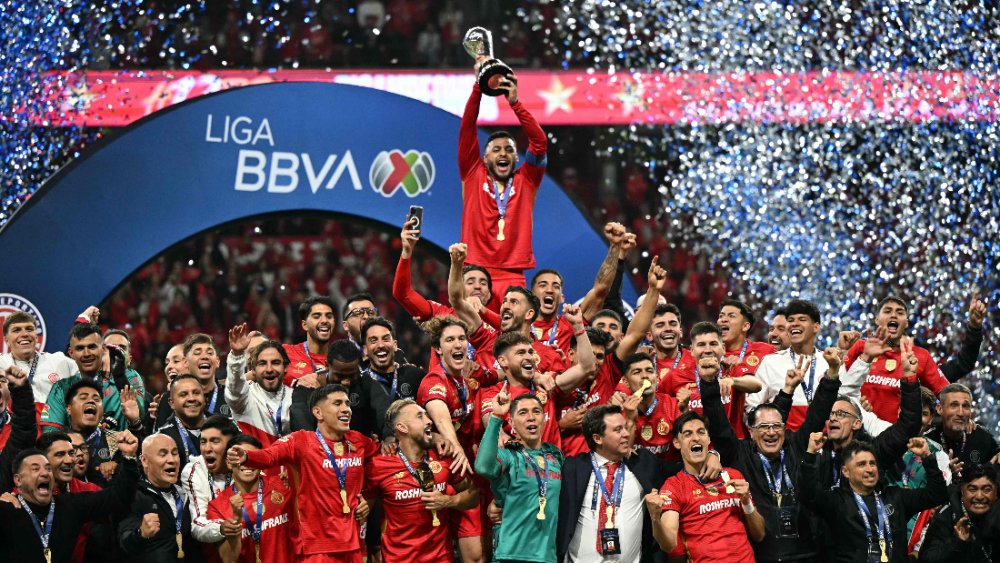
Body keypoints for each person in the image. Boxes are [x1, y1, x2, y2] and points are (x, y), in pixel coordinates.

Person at [704, 339, 843, 562]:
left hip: (808, 553)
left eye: (777, 426)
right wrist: (709, 383)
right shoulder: (740, 453)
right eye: (764, 427)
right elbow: (719, 425)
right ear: (750, 431)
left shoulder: (795, 446)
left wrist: (833, 373)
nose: (771, 432)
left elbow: (818, 414)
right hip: (763, 554)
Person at [227, 384, 376, 562]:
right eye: (337, 403)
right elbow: (269, 456)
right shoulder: (302, 441)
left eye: (347, 404)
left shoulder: (359, 442)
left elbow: (378, 467)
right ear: (318, 412)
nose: (346, 409)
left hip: (354, 544)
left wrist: (366, 497)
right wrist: (247, 456)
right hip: (316, 549)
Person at [458, 58, 547, 302]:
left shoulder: (527, 179)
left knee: (512, 338)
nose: (503, 154)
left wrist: (515, 104)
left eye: (508, 150)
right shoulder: (472, 173)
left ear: (517, 158)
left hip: (512, 274)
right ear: (485, 158)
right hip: (474, 272)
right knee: (470, 338)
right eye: (496, 150)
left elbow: (540, 143)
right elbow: (467, 128)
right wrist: (478, 87)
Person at [558, 404, 680, 562]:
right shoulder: (573, 468)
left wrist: (712, 454)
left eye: (625, 427)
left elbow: (684, 468)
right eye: (617, 430)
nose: (626, 434)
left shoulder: (642, 462)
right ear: (597, 438)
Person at [798, 436, 947, 563]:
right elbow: (808, 494)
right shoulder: (837, 501)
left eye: (872, 463)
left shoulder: (896, 496)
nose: (869, 469)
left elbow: (937, 494)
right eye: (861, 464)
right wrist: (810, 454)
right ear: (845, 472)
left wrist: (927, 457)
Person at [366, 399, 478, 563]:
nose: (429, 421)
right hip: (399, 559)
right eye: (420, 416)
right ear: (402, 428)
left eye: (426, 415)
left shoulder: (443, 456)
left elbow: (473, 495)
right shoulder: (379, 465)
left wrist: (449, 501)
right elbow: (364, 511)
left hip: (442, 558)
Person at [0, 431, 139, 561]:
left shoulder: (77, 500)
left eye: (71, 453)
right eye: (60, 454)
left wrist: (129, 458)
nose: (69, 460)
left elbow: (119, 496)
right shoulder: (13, 503)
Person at [646, 410, 765, 562]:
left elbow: (759, 535)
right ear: (677, 442)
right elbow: (669, 545)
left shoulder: (734, 476)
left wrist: (747, 503)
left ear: (708, 438)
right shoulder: (673, 487)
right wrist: (655, 518)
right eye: (688, 434)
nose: (696, 438)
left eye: (701, 432)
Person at [479, 302, 596, 451]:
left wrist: (578, 326)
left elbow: (587, 367)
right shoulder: (496, 392)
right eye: (521, 353)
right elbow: (489, 417)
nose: (529, 357)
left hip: (554, 470)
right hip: (520, 471)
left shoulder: (547, 384)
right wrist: (499, 434)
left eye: (530, 352)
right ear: (503, 361)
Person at [475, 385, 563, 563]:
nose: (531, 417)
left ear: (544, 419)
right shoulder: (508, 455)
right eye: (523, 413)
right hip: (510, 555)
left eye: (536, 411)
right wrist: (496, 418)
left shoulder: (555, 456)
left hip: (547, 556)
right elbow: (483, 467)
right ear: (513, 423)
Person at [447, 242, 565, 375]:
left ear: (529, 314)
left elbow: (567, 390)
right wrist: (456, 264)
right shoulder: (487, 340)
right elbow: (456, 300)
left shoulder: (549, 356)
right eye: (504, 301)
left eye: (514, 302)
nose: (505, 306)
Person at [748, 300, 849, 431]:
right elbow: (751, 409)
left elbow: (848, 403)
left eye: (802, 319)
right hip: (782, 444)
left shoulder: (831, 362)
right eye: (790, 320)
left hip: (824, 443)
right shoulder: (770, 362)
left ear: (816, 327)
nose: (794, 323)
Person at [846, 296, 950, 422]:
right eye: (887, 311)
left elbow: (947, 393)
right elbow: (837, 386)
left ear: (906, 323)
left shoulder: (920, 356)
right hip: (860, 433)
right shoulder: (860, 348)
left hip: (899, 437)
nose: (894, 315)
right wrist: (855, 405)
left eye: (899, 312)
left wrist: (963, 416)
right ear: (877, 320)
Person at [43, 323, 146, 433]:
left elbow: (139, 414)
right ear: (71, 353)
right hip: (76, 449)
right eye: (80, 348)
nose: (86, 353)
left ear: (102, 349)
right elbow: (50, 434)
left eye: (92, 347)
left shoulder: (128, 376)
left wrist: (119, 376)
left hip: (120, 448)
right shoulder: (61, 388)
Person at [208, 434, 294, 563]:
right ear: (228, 463)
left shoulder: (283, 485)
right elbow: (228, 559)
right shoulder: (217, 506)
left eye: (251, 458)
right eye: (239, 457)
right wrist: (236, 519)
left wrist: (296, 479)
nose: (246, 463)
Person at [393, 215, 494, 320]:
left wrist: (484, 311)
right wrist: (407, 251)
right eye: (470, 282)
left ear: (490, 294)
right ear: (458, 289)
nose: (477, 286)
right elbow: (403, 294)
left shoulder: (504, 321)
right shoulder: (444, 317)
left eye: (483, 283)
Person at [119, 433, 196, 562]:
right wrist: (140, 533)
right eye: (163, 454)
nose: (172, 459)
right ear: (144, 461)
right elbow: (124, 544)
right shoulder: (133, 496)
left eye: (175, 453)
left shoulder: (186, 493)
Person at [683, 322, 763, 439]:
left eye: (713, 344)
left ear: (723, 348)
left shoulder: (732, 368)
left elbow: (756, 385)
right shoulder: (676, 376)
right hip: (697, 448)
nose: (708, 350)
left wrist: (732, 381)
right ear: (692, 350)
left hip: (734, 447)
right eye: (701, 344)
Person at [356, 318, 424, 443]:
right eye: (373, 340)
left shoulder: (415, 375)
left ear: (395, 345)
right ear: (365, 350)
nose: (381, 345)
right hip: (381, 456)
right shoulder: (360, 385)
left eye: (386, 339)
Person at [225, 324, 294, 447]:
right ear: (253, 369)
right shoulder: (245, 398)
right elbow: (235, 389)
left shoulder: (296, 396)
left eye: (275, 363)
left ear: (286, 367)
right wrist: (236, 356)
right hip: (254, 465)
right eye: (262, 363)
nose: (269, 369)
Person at [179, 415, 239, 551]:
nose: (207, 448)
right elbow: (197, 524)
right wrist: (221, 528)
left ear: (232, 446)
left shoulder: (245, 466)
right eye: (203, 442)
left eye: (215, 441)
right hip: (208, 550)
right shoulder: (195, 470)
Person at [919, 463, 1000, 562]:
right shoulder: (946, 515)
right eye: (972, 489)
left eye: (987, 490)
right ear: (962, 491)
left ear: (996, 493)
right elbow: (926, 559)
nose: (979, 496)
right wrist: (957, 542)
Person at [0, 311, 77, 415]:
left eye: (29, 329)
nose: (24, 334)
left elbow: (88, 381)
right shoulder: (2, 363)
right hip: (15, 427)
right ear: (6, 340)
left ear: (36, 336)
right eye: (16, 330)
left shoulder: (59, 361)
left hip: (54, 427)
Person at [924, 383, 1000, 471]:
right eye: (954, 405)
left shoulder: (982, 437)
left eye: (965, 406)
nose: (960, 413)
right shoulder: (927, 441)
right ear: (940, 409)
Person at [283, 296, 337, 384]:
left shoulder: (340, 359)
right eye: (317, 316)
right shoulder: (286, 352)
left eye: (329, 316)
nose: (324, 320)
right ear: (305, 325)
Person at [159, 375, 208, 468]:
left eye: (196, 393)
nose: (191, 398)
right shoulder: (163, 436)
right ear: (172, 403)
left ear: (204, 397)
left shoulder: (223, 427)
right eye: (183, 394)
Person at [650, 304, 696, 396]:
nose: (668, 329)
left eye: (673, 324)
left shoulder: (696, 361)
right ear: (649, 335)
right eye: (660, 325)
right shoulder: (641, 364)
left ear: (681, 332)